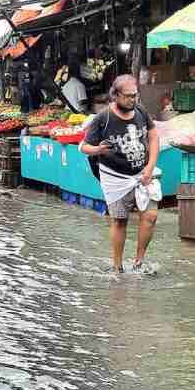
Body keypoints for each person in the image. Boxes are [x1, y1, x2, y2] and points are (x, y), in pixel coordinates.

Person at [80, 75, 159, 274]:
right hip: (115, 177)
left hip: (142, 174)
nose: (133, 100)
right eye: (128, 96)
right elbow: (83, 146)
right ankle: (117, 266)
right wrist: (98, 150)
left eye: (135, 96)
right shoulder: (103, 118)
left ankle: (139, 262)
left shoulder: (140, 111)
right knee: (119, 221)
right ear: (115, 95)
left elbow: (153, 135)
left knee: (150, 216)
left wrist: (150, 167)